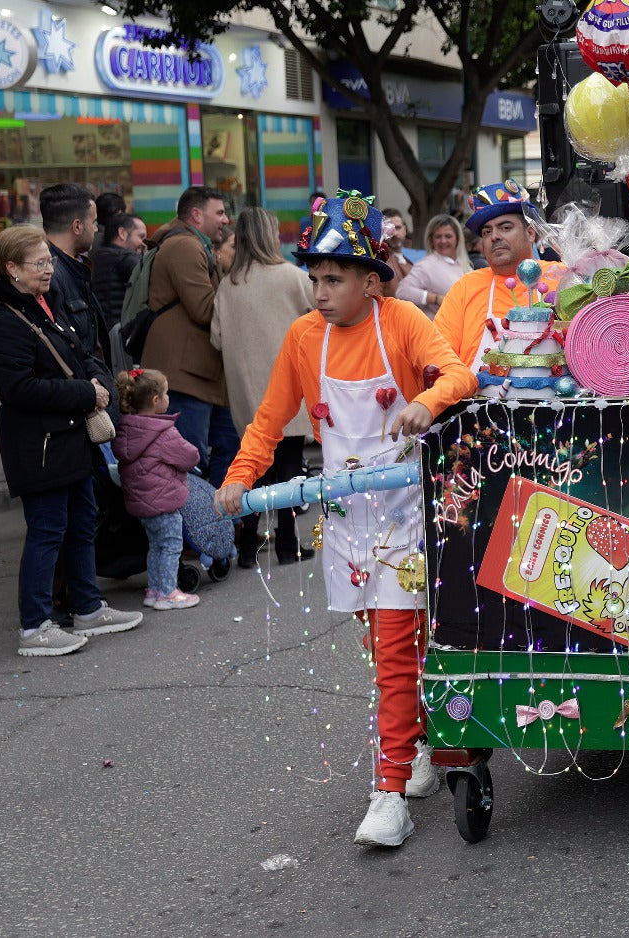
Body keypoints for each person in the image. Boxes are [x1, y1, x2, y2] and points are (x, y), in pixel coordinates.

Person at [214, 190, 479, 847]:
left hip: (407, 519)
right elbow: (270, 420)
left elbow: (459, 375)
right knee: (385, 651)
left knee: (393, 654)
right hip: (347, 523)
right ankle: (416, 746)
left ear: (370, 281)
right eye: (315, 278)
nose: (320, 290)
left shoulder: (404, 323)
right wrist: (238, 478)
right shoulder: (304, 338)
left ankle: (389, 793)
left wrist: (430, 402)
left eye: (333, 278)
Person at [0, 226, 143, 657]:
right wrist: (86, 393)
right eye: (40, 263)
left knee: (82, 521)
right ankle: (34, 627)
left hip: (68, 437)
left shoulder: (42, 304)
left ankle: (87, 608)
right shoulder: (3, 319)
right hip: (40, 445)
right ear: (11, 268)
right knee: (47, 530)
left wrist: (100, 381)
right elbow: (18, 388)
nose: (50, 269)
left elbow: (81, 351)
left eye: (49, 261)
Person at [210, 207, 316, 567]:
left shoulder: (229, 284)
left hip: (246, 391)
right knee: (288, 469)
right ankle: (288, 544)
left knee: (254, 470)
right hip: (287, 387)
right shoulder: (290, 276)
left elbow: (217, 339)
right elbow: (322, 313)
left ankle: (247, 548)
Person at [144, 186, 238, 487]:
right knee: (191, 463)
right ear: (196, 215)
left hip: (200, 373)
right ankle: (197, 532)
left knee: (230, 445)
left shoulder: (195, 244)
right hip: (186, 376)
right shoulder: (185, 247)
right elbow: (203, 309)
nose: (225, 219)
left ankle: (226, 525)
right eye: (219, 212)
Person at [435, 180, 566, 369]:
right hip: (474, 397)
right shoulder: (466, 287)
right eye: (487, 232)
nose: (494, 236)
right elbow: (440, 358)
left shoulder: (560, 277)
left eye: (505, 227)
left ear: (530, 233)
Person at [111, 367, 202, 611]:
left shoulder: (126, 430)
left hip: (142, 504)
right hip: (164, 502)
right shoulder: (163, 433)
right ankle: (168, 592)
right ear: (155, 401)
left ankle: (154, 590)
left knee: (155, 546)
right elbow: (190, 456)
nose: (168, 398)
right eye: (166, 394)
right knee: (172, 545)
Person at [40, 182, 113, 368]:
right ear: (77, 226)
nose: (96, 229)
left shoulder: (74, 267)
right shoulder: (50, 276)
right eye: (94, 222)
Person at [395, 213, 468, 320]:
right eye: (438, 236)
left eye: (448, 236)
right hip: (439, 332)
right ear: (431, 240)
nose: (443, 241)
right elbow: (402, 291)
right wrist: (436, 299)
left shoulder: (463, 265)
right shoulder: (426, 265)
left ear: (457, 238)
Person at [91, 212, 147, 330]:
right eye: (140, 237)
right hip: (121, 331)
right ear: (122, 233)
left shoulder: (98, 256)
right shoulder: (126, 258)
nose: (143, 244)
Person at [378, 207, 414, 294]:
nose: (395, 233)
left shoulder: (410, 260)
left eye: (398, 227)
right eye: (389, 229)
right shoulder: (379, 261)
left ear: (405, 229)